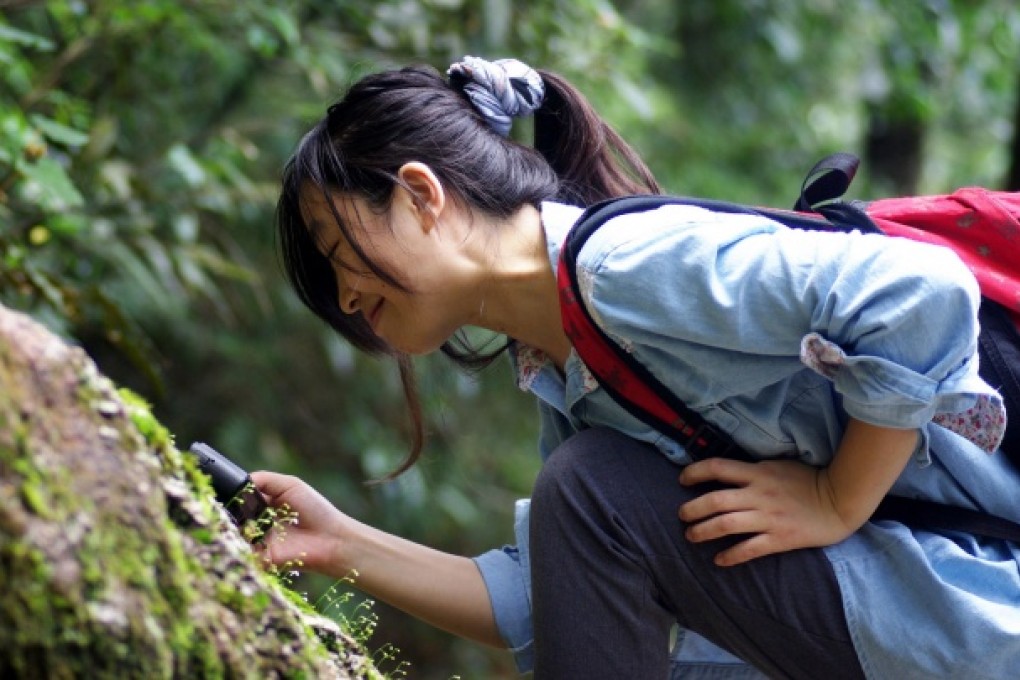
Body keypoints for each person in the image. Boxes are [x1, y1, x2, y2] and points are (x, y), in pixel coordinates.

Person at [251, 55, 1019, 679]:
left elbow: (918, 292)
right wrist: (342, 544)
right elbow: (555, 595)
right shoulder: (572, 363)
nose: (346, 296)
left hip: (971, 603)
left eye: (336, 251)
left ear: (421, 195)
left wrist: (833, 499)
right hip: (906, 622)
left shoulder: (622, 266)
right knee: (588, 495)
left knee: (590, 488)